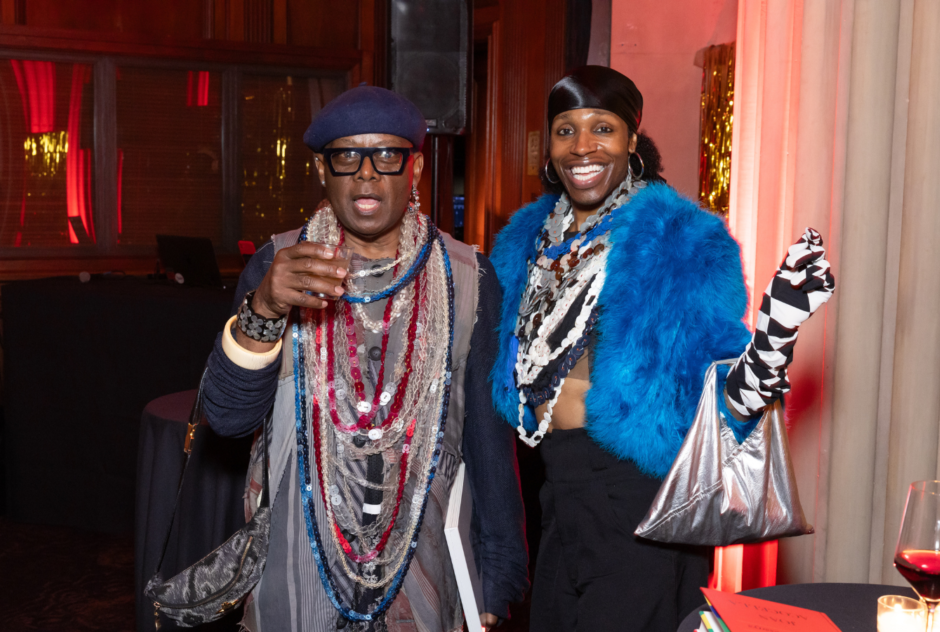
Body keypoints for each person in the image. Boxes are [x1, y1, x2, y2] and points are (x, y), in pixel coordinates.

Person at [489, 66, 834, 631]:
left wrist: (775, 336)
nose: (583, 146)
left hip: (636, 496)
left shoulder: (680, 239)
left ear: (631, 140)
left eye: (602, 128)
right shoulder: (528, 242)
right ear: (548, 148)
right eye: (565, 130)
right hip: (553, 491)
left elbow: (723, 396)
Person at [202, 86, 528, 632]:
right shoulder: (278, 265)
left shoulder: (470, 278)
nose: (368, 174)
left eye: (388, 155)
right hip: (298, 549)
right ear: (322, 171)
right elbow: (228, 418)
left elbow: (490, 439)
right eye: (347, 156)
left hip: (422, 557)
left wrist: (499, 576)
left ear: (416, 168)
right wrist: (265, 306)